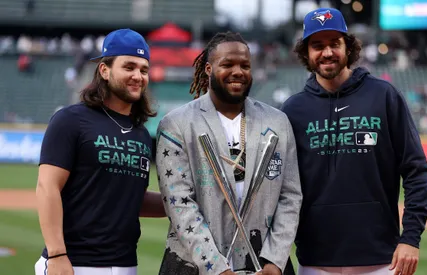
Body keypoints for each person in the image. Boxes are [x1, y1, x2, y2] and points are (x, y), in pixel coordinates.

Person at [281, 8, 427, 275]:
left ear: (348, 48)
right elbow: (280, 188)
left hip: (381, 260)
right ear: (306, 53)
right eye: (317, 45)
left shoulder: (384, 96)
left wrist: (410, 238)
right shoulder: (293, 110)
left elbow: (416, 171)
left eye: (334, 44)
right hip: (315, 261)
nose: (327, 52)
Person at [155, 31, 302, 275]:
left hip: (264, 266)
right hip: (194, 266)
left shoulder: (277, 122)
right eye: (228, 64)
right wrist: (216, 268)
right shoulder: (177, 124)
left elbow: (290, 196)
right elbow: (179, 203)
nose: (238, 71)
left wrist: (275, 260)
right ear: (209, 69)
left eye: (245, 65)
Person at [35, 28, 167, 275]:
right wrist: (57, 254)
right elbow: (47, 187)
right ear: (104, 70)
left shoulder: (141, 134)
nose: (138, 76)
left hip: (126, 265)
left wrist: (183, 203)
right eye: (129, 67)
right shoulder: (70, 120)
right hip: (73, 263)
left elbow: (131, 200)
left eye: (144, 69)